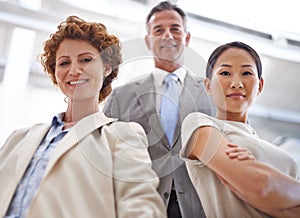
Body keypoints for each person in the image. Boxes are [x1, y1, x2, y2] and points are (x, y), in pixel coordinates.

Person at [0, 15, 166, 218]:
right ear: (55, 73)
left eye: (86, 60)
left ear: (106, 68)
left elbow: (141, 207)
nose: (74, 70)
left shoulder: (121, 135)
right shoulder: (19, 138)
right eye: (64, 63)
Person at [104, 1, 214, 217]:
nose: (167, 36)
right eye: (158, 30)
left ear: (187, 37)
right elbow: (104, 153)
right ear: (148, 40)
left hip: (200, 207)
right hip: (140, 206)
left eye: (175, 29)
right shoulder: (121, 96)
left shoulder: (213, 92)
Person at [180, 41, 300, 217]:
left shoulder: (265, 145)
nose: (236, 83)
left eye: (246, 73)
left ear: (259, 85)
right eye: (225, 73)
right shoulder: (199, 124)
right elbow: (259, 185)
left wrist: (261, 175)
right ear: (208, 85)